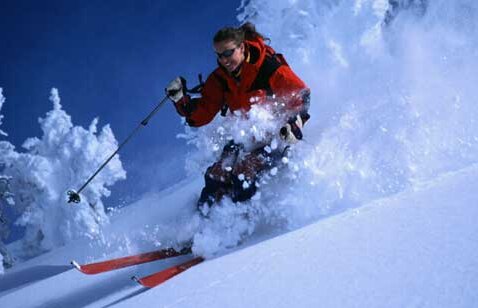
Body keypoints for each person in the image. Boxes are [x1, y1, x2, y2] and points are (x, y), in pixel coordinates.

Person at [166, 22, 310, 214]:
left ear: (242, 47)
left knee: (244, 171)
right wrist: (180, 100)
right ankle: (200, 227)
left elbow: (300, 95)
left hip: (278, 135)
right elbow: (202, 113)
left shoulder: (268, 67)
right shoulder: (220, 79)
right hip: (246, 137)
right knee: (216, 174)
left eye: (228, 53)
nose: (224, 60)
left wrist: (295, 123)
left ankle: (239, 226)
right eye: (219, 55)